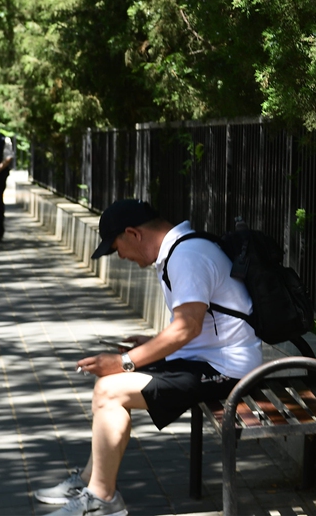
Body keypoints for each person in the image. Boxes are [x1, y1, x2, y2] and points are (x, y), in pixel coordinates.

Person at [34, 199, 262, 516]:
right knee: (108, 386)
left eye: (117, 248)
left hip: (230, 370)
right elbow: (199, 325)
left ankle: (102, 499)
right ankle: (91, 483)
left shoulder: (187, 256)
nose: (121, 257)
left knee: (110, 390)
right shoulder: (184, 249)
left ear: (133, 233)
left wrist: (125, 361)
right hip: (208, 359)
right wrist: (150, 345)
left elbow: (187, 327)